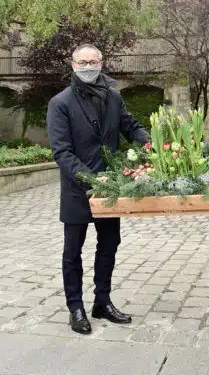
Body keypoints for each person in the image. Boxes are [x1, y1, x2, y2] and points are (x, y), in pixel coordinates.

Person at [47, 44, 150, 334]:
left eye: (93, 61)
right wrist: (92, 179)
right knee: (73, 251)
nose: (89, 66)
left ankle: (101, 301)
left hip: (111, 191)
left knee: (109, 246)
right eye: (83, 61)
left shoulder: (113, 97)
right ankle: (75, 307)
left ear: (102, 63)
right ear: (73, 65)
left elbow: (130, 127)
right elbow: (62, 152)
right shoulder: (61, 103)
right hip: (78, 189)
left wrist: (152, 144)